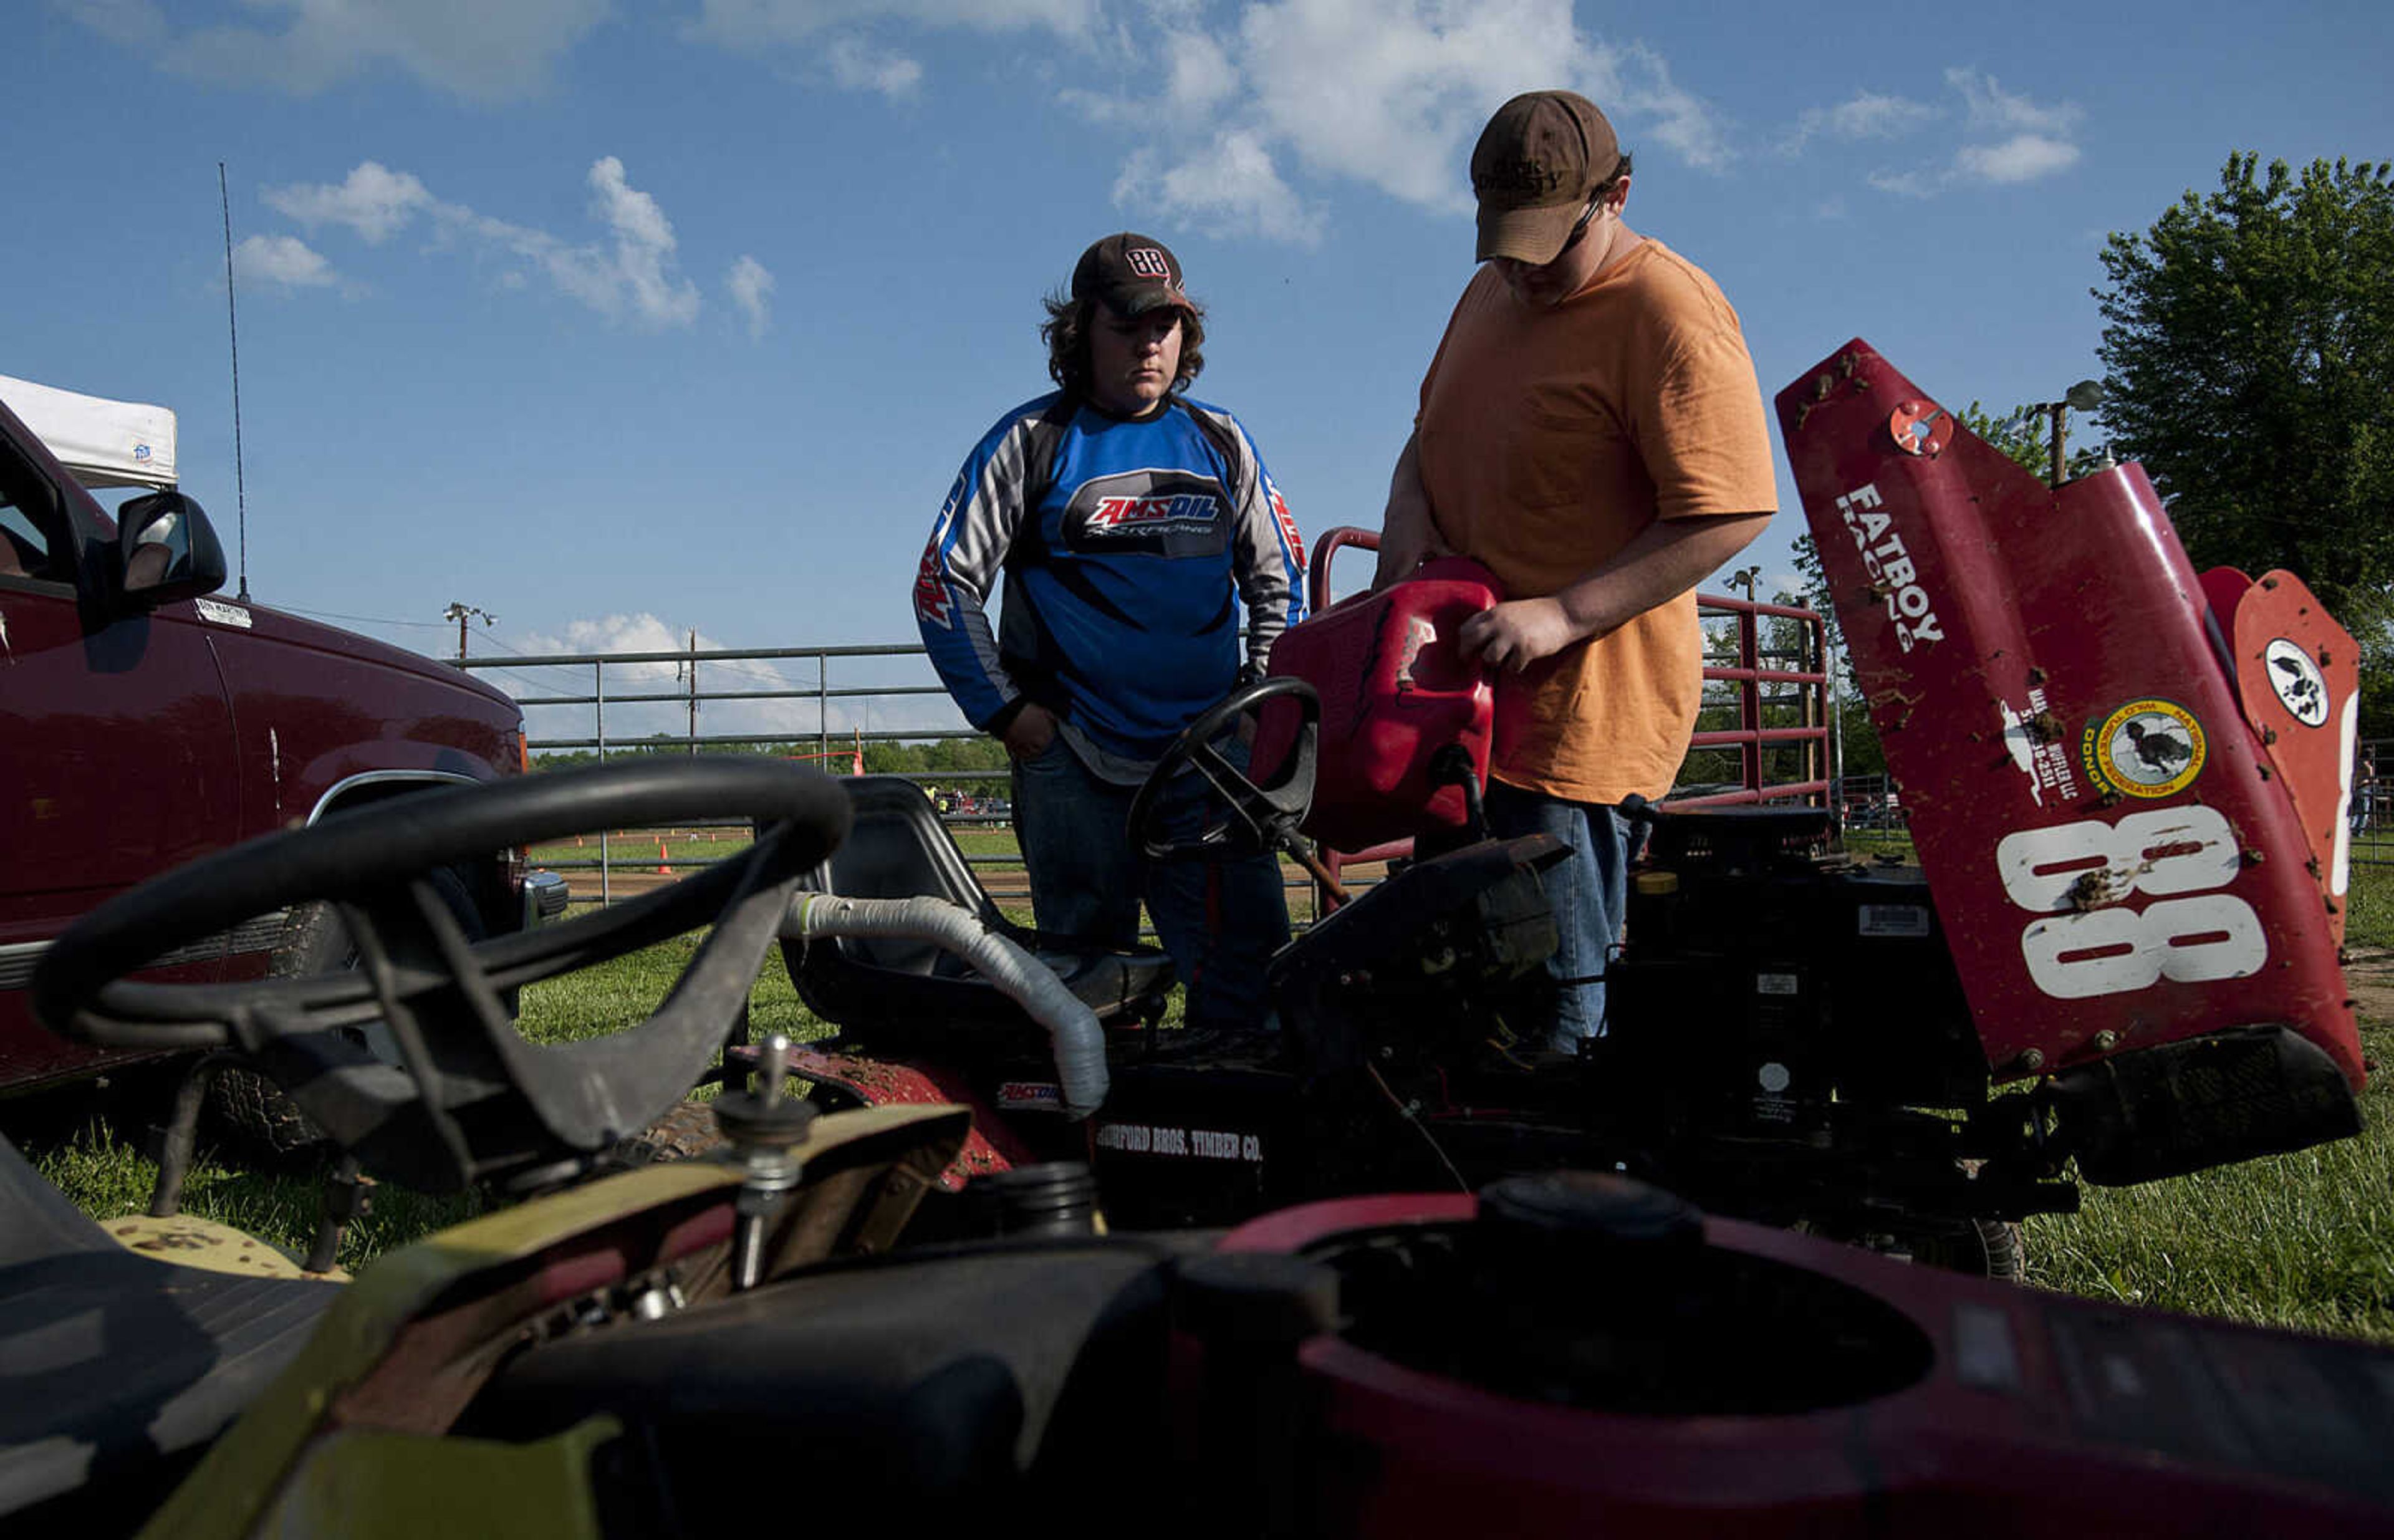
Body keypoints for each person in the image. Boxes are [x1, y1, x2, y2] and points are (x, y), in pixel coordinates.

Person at [1373, 90, 1776, 1052]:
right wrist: (1407, 517)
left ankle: (1570, 1189)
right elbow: (1422, 439)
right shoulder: (1490, 290)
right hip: (1459, 714)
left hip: (1576, 730)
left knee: (1556, 1021)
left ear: (1618, 195)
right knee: (1447, 999)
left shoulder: (1667, 309)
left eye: (1548, 242)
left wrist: (1562, 613)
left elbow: (1731, 508)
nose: (1524, 268)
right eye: (1505, 241)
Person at [915, 233, 1307, 1031]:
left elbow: (1282, 581)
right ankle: (1100, 1147)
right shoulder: (1028, 443)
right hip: (1074, 767)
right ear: (1080, 331)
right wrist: (1011, 717)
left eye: (1166, 324)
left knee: (1250, 983)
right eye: (1129, 324)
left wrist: (1255, 707)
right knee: (1087, 1003)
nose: (1150, 342)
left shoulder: (1222, 440)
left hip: (1207, 765)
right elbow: (943, 583)